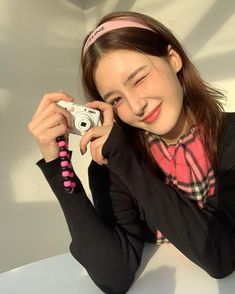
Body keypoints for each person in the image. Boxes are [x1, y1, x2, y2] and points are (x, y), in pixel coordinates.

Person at [28, 11, 235, 294]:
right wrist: (57, 163)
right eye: (116, 99)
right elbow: (114, 276)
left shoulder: (229, 136)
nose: (137, 105)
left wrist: (127, 163)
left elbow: (220, 256)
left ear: (173, 58)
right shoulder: (117, 161)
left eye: (138, 79)